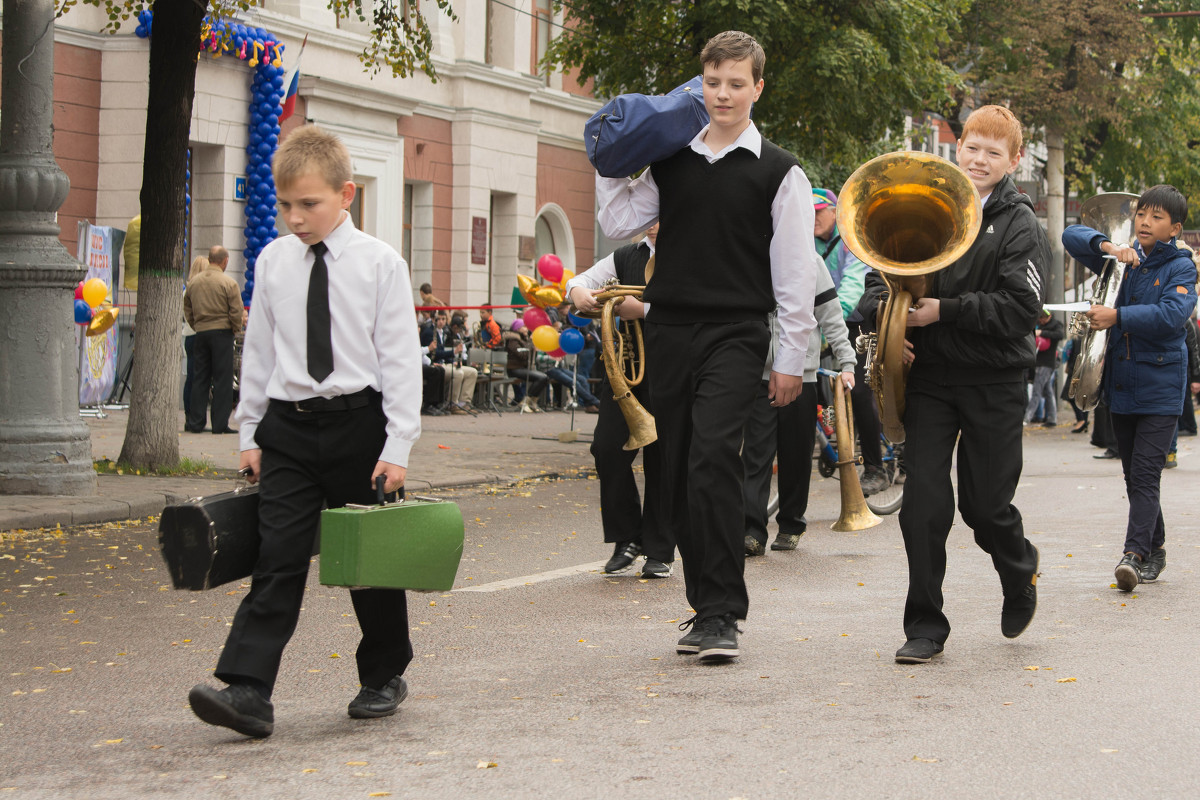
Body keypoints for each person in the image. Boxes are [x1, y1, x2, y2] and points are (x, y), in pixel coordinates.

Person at [187, 125, 421, 737]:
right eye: (286, 204)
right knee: (278, 556)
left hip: (359, 428)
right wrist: (249, 435)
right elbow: (259, 354)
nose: (295, 217)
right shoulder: (273, 262)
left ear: (346, 195)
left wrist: (398, 446)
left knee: (366, 561)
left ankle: (383, 673)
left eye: (309, 204)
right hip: (288, 430)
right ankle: (248, 689)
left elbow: (399, 359)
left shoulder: (380, 265)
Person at [595, 30, 819, 662]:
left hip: (737, 333)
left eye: (737, 83)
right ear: (701, 85)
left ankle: (723, 611)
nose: (724, 93)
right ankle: (703, 607)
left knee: (714, 460)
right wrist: (619, 153)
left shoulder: (781, 171)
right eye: (713, 82)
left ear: (757, 87)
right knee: (676, 469)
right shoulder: (670, 158)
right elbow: (617, 223)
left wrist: (790, 360)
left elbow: (794, 274)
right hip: (667, 331)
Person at [859, 105, 1049, 664]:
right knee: (923, 507)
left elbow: (1023, 308)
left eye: (995, 152)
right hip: (932, 380)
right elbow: (876, 287)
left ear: (1013, 160)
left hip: (994, 380)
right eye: (972, 147)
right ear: (957, 148)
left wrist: (943, 311)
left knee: (985, 509)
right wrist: (891, 324)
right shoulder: (924, 202)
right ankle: (925, 626)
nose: (980, 159)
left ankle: (1020, 569)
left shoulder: (1020, 223)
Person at [1062, 184, 1197, 590]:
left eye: (1157, 218)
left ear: (1174, 229)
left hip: (1161, 384)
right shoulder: (1118, 256)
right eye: (1142, 214)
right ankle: (1155, 549)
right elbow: (1071, 234)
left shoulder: (1183, 268)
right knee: (1132, 475)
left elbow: (1172, 316)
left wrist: (1117, 315)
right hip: (1120, 383)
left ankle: (1134, 555)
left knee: (1144, 473)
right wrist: (1106, 245)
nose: (1144, 222)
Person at [567, 224, 676, 578]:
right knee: (606, 448)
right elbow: (579, 279)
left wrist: (642, 311)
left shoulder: (690, 250)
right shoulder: (626, 256)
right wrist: (579, 293)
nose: (657, 226)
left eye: (663, 216)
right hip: (624, 373)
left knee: (664, 458)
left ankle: (660, 550)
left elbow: (696, 302)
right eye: (652, 218)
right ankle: (628, 537)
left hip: (672, 369)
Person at [743, 267, 856, 556]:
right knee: (756, 455)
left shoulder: (812, 261)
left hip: (801, 374)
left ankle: (791, 525)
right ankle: (751, 531)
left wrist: (847, 364)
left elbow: (831, 316)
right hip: (758, 374)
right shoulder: (750, 251)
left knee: (796, 454)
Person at [811, 187, 889, 496]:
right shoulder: (809, 242)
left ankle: (875, 467)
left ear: (833, 211)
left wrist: (828, 321)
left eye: (818, 212)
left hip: (857, 324)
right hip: (825, 323)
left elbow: (853, 286)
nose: (812, 218)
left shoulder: (851, 241)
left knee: (859, 389)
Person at [183, 245, 244, 434]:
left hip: (201, 333)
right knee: (222, 380)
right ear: (225, 261)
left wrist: (197, 325)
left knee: (200, 378)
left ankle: (196, 423)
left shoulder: (194, 283)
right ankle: (219, 425)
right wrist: (235, 328)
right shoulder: (228, 283)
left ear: (209, 259)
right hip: (222, 334)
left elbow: (188, 309)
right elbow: (236, 311)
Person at [419, 311, 478, 415]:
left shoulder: (443, 332)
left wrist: (453, 361)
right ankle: (452, 404)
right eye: (438, 319)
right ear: (433, 320)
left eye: (443, 319)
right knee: (458, 374)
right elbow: (435, 354)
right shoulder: (429, 332)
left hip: (445, 363)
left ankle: (463, 402)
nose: (441, 322)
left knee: (472, 372)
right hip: (436, 364)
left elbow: (443, 353)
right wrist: (453, 352)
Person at [1024, 308, 1064, 427]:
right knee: (1047, 391)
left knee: (1037, 390)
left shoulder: (1056, 325)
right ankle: (1052, 418)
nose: (1041, 321)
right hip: (1040, 362)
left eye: (1042, 318)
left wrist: (1041, 333)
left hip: (1047, 362)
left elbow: (1059, 335)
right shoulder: (1039, 324)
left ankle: (1027, 417)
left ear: (1049, 317)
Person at [182, 255, 210, 418]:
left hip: (189, 334)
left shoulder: (187, 289)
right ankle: (194, 413)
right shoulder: (198, 289)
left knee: (191, 376)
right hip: (198, 334)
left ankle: (189, 413)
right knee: (199, 378)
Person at [502, 323, 550, 413]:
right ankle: (525, 402)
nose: (526, 329)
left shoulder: (524, 339)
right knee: (541, 377)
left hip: (523, 368)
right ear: (517, 328)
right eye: (523, 327)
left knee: (545, 378)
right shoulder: (513, 340)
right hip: (514, 369)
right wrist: (531, 346)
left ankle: (532, 402)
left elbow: (529, 356)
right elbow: (522, 355)